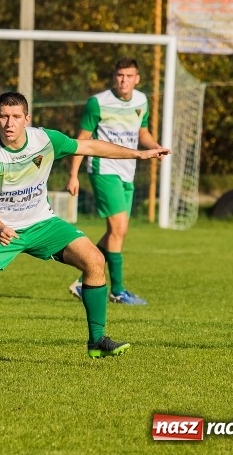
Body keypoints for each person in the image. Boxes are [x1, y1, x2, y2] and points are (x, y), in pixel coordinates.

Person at [0, 92, 169, 364]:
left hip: (42, 223)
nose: (9, 123)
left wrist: (139, 154)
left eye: (16, 117)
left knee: (95, 260)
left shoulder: (45, 140)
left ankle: (97, 341)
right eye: (3, 116)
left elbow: (90, 147)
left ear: (27, 119)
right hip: (0, 230)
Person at [65, 57, 164, 306]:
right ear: (114, 77)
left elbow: (142, 132)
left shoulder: (141, 100)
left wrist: (154, 147)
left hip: (127, 170)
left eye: (129, 76)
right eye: (120, 75)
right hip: (103, 168)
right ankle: (118, 291)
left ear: (137, 78)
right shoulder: (98, 103)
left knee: (116, 232)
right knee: (119, 229)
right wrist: (73, 174)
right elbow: (83, 140)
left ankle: (81, 282)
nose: (124, 80)